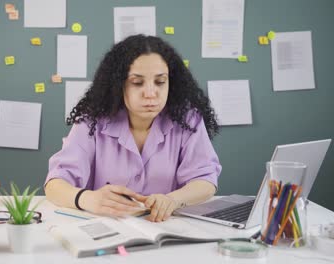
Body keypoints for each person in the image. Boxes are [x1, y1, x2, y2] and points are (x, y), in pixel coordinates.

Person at [45, 34, 221, 222]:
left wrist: (172, 200)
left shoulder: (188, 119)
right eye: (137, 83)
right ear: (118, 85)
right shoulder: (91, 121)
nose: (151, 93)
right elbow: (55, 185)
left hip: (166, 227)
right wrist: (87, 198)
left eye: (160, 81)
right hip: (106, 227)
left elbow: (205, 180)